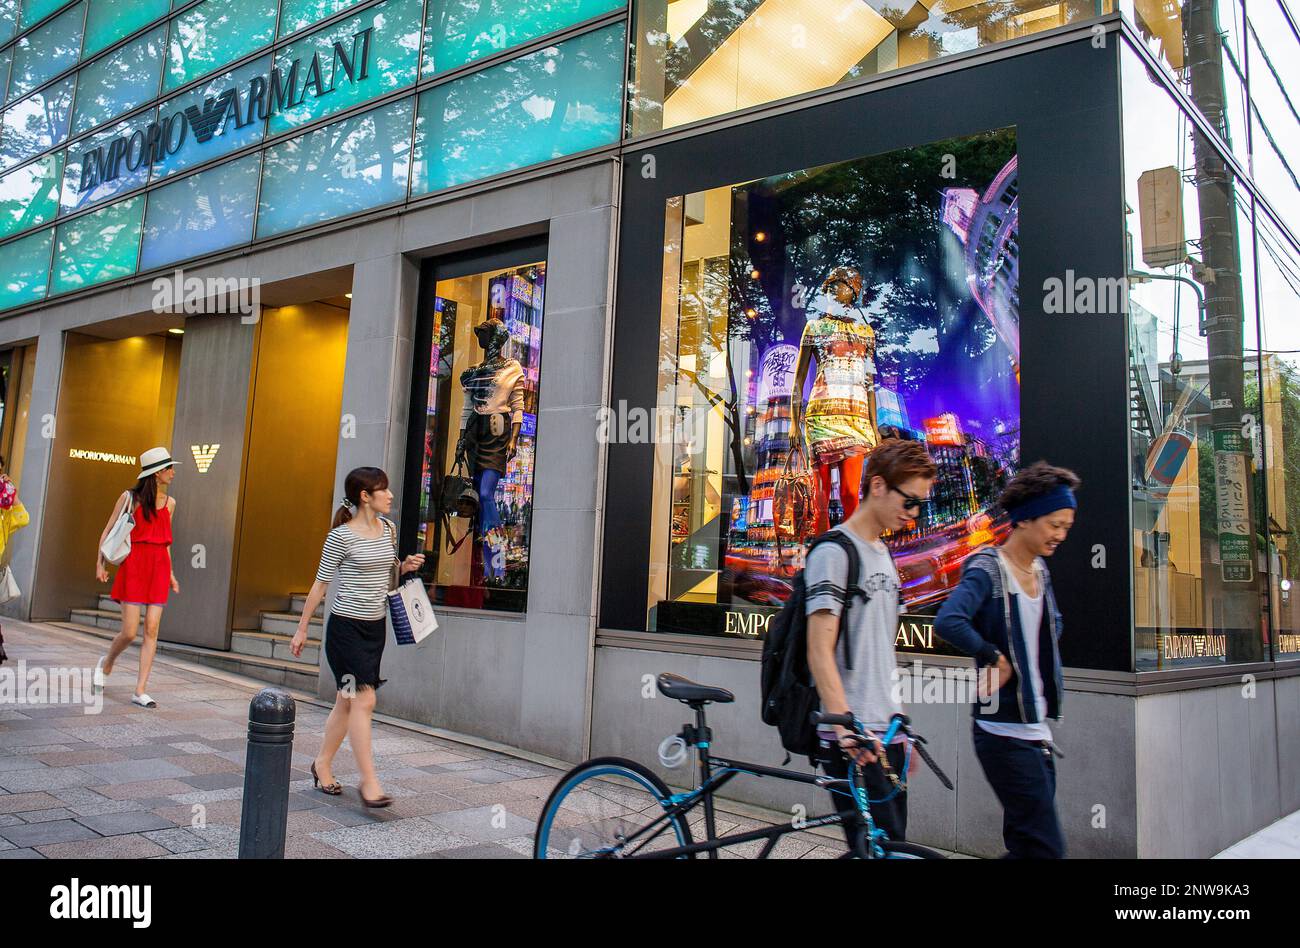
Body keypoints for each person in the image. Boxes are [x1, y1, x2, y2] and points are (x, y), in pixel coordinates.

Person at [934, 461, 1078, 859]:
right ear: (1026, 518)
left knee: (1026, 846)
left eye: (1066, 526)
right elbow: (948, 621)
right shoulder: (988, 568)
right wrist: (993, 656)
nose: (1061, 535)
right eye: (1054, 524)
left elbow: (1052, 624)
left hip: (1037, 729)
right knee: (1046, 849)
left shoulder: (1040, 571)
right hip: (1002, 731)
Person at [805, 437, 936, 846]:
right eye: (909, 501)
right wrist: (845, 728)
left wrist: (901, 724)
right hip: (854, 737)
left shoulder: (884, 554)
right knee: (880, 848)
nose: (913, 513)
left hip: (887, 732)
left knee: (890, 846)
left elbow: (882, 652)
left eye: (920, 504)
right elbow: (818, 649)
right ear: (877, 485)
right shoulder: (834, 552)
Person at [291, 467, 424, 808]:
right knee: (364, 700)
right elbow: (320, 585)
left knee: (346, 701)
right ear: (365, 496)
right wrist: (303, 628)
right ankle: (370, 783)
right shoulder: (340, 537)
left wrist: (404, 567)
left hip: (374, 630)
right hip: (346, 631)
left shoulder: (388, 528)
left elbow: (387, 573)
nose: (390, 495)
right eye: (384, 489)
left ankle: (322, 763)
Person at [93, 447, 179, 708]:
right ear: (156, 473)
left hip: (159, 568)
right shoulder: (129, 498)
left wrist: (171, 574)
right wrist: (100, 564)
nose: (173, 473)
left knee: (151, 629)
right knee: (130, 632)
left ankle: (140, 689)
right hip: (134, 566)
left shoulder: (170, 503)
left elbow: (166, 543)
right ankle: (107, 662)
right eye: (169, 468)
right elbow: (108, 531)